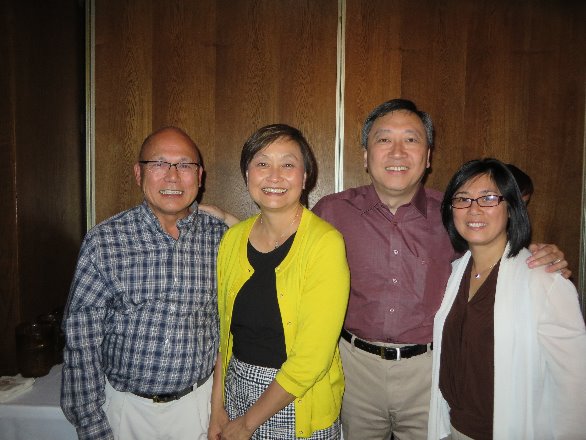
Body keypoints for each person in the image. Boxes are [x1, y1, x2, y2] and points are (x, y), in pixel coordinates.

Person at [311, 99, 570, 440]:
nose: (397, 151)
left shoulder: (455, 214)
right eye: (384, 139)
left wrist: (533, 252)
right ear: (365, 155)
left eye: (411, 139)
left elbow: (496, 254)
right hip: (354, 367)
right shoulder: (331, 211)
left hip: (430, 369)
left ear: (428, 156)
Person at [61, 127, 228, 440]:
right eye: (159, 164)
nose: (172, 176)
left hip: (198, 407)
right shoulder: (104, 242)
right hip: (124, 410)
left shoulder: (222, 240)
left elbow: (229, 332)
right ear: (139, 173)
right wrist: (92, 426)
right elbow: (81, 343)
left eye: (184, 165)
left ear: (199, 176)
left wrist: (219, 410)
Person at [208, 124, 350, 439]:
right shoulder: (232, 239)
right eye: (262, 163)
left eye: (287, 164)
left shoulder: (325, 243)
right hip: (236, 390)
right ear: (247, 174)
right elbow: (224, 337)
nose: (274, 176)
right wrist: (216, 409)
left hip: (297, 400)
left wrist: (247, 424)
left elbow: (311, 359)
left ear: (305, 177)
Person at [428, 158, 586, 439]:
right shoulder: (455, 273)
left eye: (488, 198)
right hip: (454, 427)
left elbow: (574, 384)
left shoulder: (544, 280)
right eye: (462, 199)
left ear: (512, 208)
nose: (474, 209)